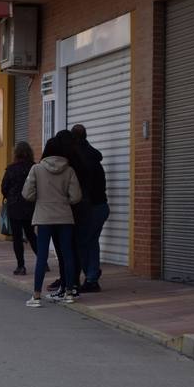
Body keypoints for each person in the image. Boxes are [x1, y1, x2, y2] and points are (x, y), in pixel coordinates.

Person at [22, 133, 82, 307]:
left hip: (43, 217)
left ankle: (36, 296)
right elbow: (76, 196)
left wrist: (40, 200)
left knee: (42, 256)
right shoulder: (69, 170)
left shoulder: (37, 169)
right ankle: (69, 292)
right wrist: (63, 202)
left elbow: (27, 194)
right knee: (67, 254)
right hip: (64, 216)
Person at [71, 124, 108, 293]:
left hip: (88, 208)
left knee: (82, 243)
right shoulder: (93, 156)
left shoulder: (77, 160)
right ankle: (91, 277)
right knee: (91, 242)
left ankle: (90, 278)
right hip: (101, 206)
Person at [0, 141, 38, 276]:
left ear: (15, 153)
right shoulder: (34, 168)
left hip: (14, 206)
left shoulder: (11, 169)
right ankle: (42, 262)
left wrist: (10, 196)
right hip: (30, 206)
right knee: (31, 234)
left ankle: (21, 266)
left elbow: (4, 188)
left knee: (17, 237)